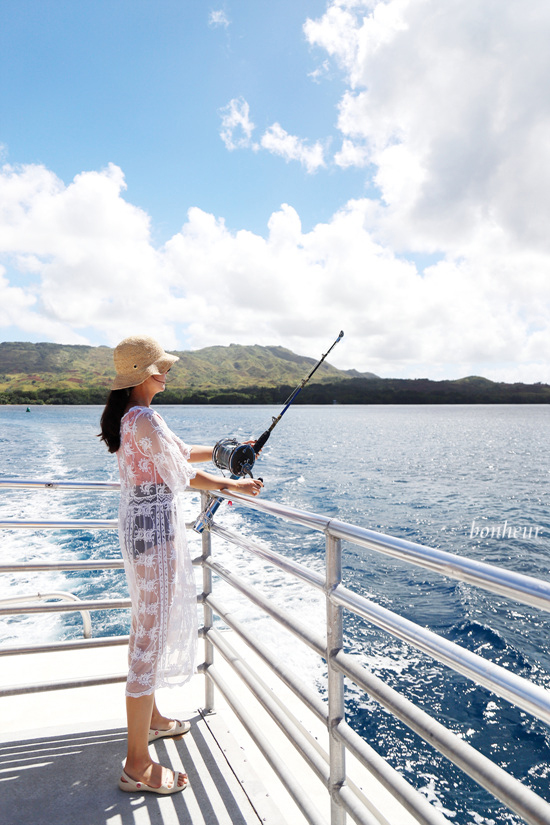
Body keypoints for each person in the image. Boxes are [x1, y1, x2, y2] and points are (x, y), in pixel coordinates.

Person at [99, 335, 263, 795]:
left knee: (146, 627)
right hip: (153, 536)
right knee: (148, 639)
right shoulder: (143, 418)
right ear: (144, 375)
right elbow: (183, 475)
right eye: (160, 367)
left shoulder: (139, 418)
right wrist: (233, 486)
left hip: (143, 531)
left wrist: (227, 451)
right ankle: (136, 762)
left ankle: (150, 721)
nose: (166, 372)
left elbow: (182, 452)